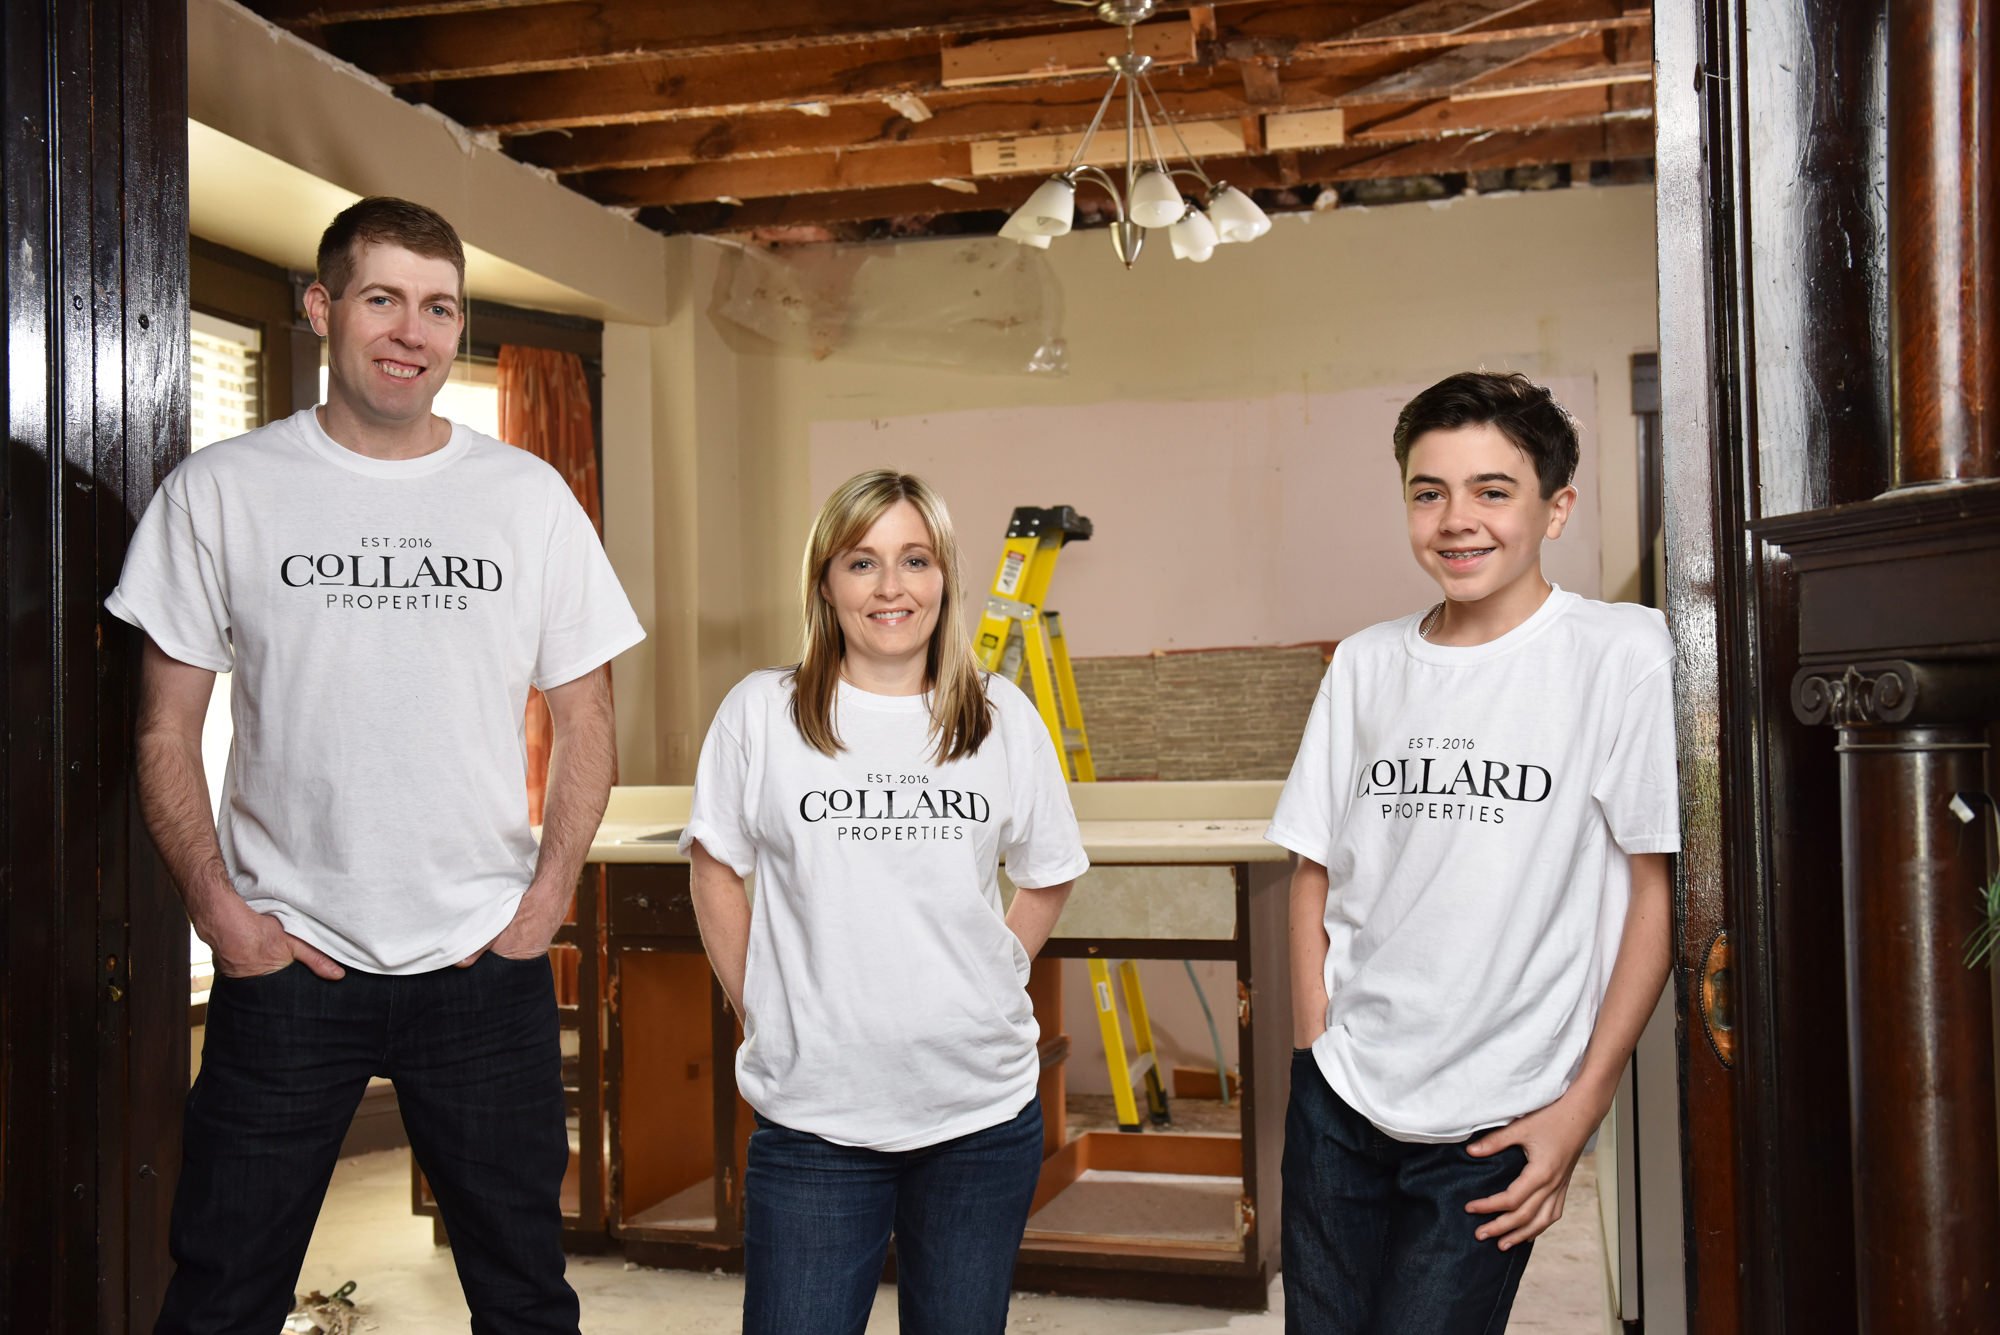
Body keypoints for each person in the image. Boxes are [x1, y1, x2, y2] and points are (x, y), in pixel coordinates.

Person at [111, 197, 644, 1334]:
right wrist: (223, 917)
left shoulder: (526, 500)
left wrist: (544, 900)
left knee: (525, 1298)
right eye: (383, 298)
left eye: (440, 306)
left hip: (481, 964)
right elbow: (163, 730)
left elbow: (588, 716)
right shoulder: (221, 491)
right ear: (323, 308)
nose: (413, 330)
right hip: (286, 964)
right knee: (218, 1297)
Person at [1268, 372, 1678, 1333]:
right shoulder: (1368, 662)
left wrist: (1584, 1104)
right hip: (1343, 1095)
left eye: (1493, 490)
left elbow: (1655, 895)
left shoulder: (1620, 654)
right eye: (1428, 491)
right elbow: (1314, 867)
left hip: (1502, 1111)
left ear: (1556, 507)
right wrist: (1313, 1049)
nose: (1457, 520)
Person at [680, 469, 1086, 1335]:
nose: (892, 586)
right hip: (815, 1119)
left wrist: (994, 971)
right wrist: (759, 1003)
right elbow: (715, 867)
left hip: (978, 1115)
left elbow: (1049, 869)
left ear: (945, 578)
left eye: (915, 559)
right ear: (826, 581)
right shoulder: (763, 714)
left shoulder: (999, 717)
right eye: (863, 562)